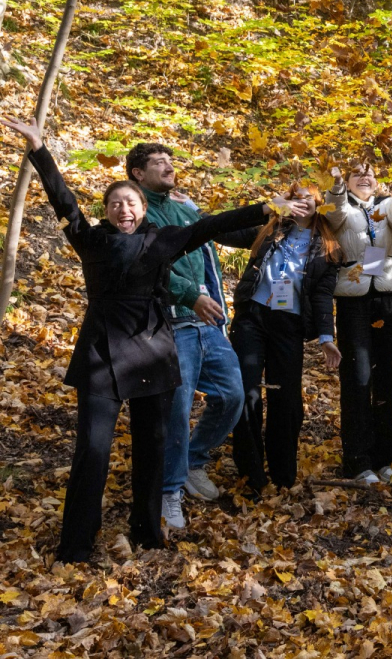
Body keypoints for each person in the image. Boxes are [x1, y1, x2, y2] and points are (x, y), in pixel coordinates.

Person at [1, 114, 277, 562]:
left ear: (142, 209)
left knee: (152, 448)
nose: (124, 210)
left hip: (152, 355)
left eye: (131, 204)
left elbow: (208, 227)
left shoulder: (162, 241)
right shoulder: (90, 241)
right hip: (101, 358)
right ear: (107, 212)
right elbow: (63, 200)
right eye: (115, 204)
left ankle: (148, 532)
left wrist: (267, 208)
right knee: (92, 451)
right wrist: (38, 148)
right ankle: (76, 545)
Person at [126, 142, 250, 530]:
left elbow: (212, 247)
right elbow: (149, 262)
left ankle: (193, 460)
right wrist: (190, 296)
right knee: (177, 409)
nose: (168, 167)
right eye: (158, 163)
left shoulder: (183, 208)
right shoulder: (135, 210)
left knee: (232, 396)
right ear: (137, 173)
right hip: (170, 322)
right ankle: (170, 489)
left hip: (207, 321)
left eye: (170, 161)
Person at [229, 183, 343, 492]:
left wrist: (326, 337)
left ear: (321, 205)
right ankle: (250, 473)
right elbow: (223, 230)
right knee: (246, 391)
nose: (302, 203)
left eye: (310, 198)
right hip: (251, 316)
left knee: (286, 399)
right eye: (295, 198)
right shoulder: (270, 230)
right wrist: (192, 213)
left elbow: (322, 295)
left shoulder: (327, 246)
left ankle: (282, 474)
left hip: (288, 324)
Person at [324, 164, 392, 484]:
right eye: (357, 174)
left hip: (388, 297)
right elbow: (332, 213)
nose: (365, 178)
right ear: (348, 182)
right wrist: (335, 186)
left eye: (370, 174)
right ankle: (357, 461)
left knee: (386, 378)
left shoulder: (385, 205)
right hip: (354, 300)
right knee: (358, 378)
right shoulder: (342, 208)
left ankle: (384, 457)